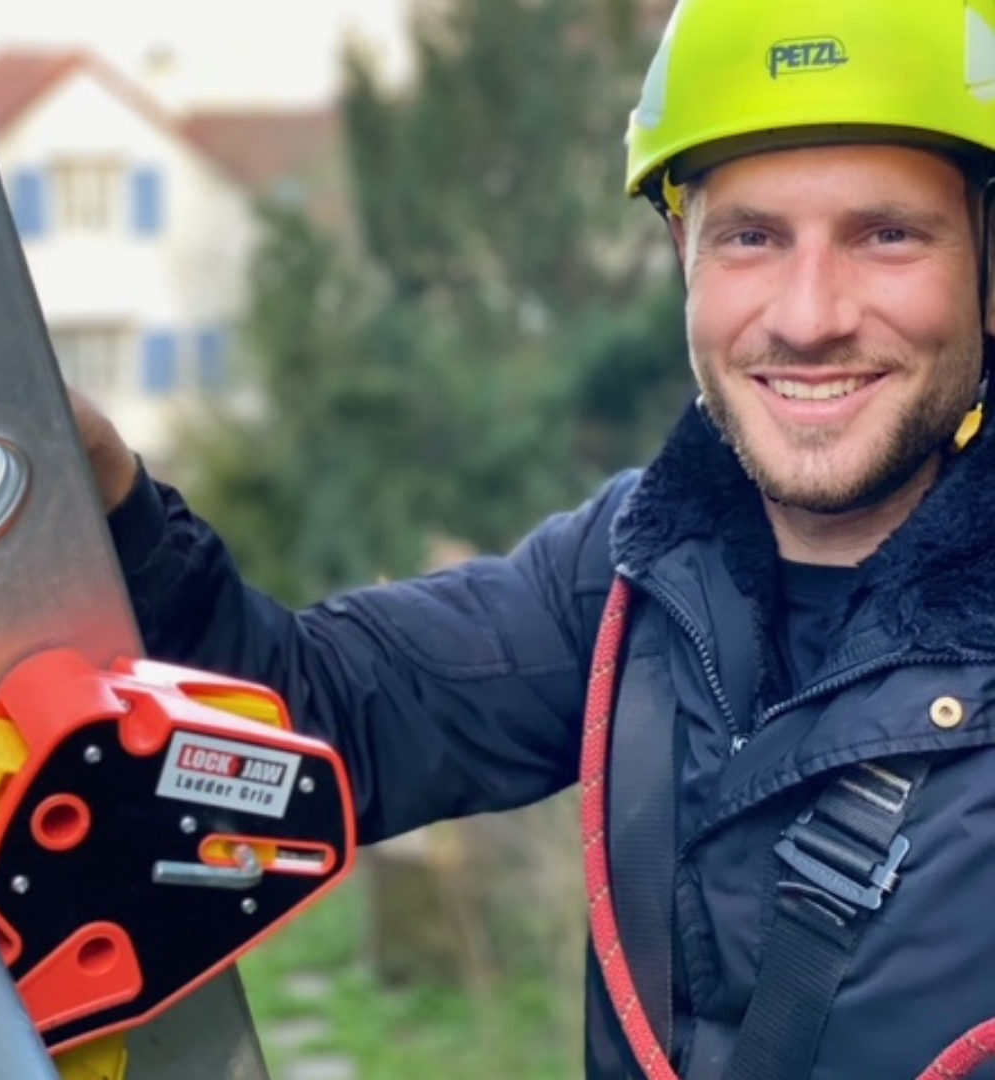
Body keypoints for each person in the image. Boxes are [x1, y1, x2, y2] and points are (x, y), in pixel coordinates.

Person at [72, 1, 995, 1077]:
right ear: (681, 250)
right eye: (751, 236)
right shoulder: (634, 569)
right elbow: (305, 718)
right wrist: (101, 497)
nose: (806, 315)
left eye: (885, 234)